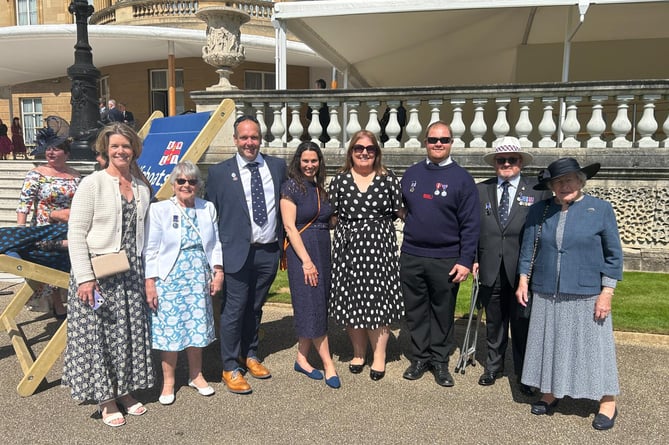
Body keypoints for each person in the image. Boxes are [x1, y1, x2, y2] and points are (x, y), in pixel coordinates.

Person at [516, 157, 623, 431]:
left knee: (593, 348)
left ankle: (607, 401)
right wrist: (523, 280)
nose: (564, 186)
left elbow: (614, 255)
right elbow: (529, 248)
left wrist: (607, 292)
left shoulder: (600, 209)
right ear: (551, 186)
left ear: (580, 181)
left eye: (569, 179)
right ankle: (551, 392)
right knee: (550, 343)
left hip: (586, 291)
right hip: (546, 288)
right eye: (558, 182)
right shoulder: (540, 210)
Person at [63, 123, 154, 428]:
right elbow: (75, 232)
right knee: (100, 336)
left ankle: (125, 391)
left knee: (127, 335)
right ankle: (106, 399)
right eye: (115, 146)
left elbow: (145, 235)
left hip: (130, 274)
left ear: (134, 149)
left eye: (125, 146)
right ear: (105, 149)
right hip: (98, 274)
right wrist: (85, 277)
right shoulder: (93, 184)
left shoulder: (142, 187)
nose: (120, 151)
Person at [205, 115, 287, 394]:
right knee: (234, 309)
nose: (249, 142)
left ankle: (249, 354)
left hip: (267, 252)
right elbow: (211, 219)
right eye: (244, 137)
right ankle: (230, 366)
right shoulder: (218, 173)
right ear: (235, 140)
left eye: (254, 137)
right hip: (235, 253)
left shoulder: (277, 167)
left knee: (255, 307)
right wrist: (214, 260)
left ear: (260, 139)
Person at [399, 121, 480, 387]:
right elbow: (403, 209)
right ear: (425, 142)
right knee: (416, 311)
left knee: (442, 312)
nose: (438, 144)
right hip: (412, 254)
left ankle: (440, 361)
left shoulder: (462, 179)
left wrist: (465, 260)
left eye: (444, 140)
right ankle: (420, 358)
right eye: (433, 139)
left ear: (451, 143)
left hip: (446, 258)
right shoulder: (411, 174)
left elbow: (471, 224)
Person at [472, 137, 551, 394]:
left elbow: (544, 231)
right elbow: (473, 229)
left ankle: (524, 374)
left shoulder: (538, 191)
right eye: (501, 160)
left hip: (522, 271)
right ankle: (493, 367)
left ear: (521, 163)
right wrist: (473, 258)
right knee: (494, 321)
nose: (506, 164)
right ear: (495, 163)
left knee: (521, 324)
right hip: (490, 265)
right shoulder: (481, 189)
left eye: (512, 159)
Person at [145, 161, 224, 405]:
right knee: (170, 329)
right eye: (181, 181)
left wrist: (218, 271)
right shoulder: (160, 210)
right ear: (173, 184)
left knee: (196, 326)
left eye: (191, 181)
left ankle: (196, 375)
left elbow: (215, 243)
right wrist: (150, 282)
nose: (186, 185)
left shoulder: (206, 207)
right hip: (169, 276)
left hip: (198, 275)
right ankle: (168, 381)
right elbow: (151, 249)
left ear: (198, 184)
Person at [328, 130, 403, 381]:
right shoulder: (339, 180)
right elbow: (333, 215)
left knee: (377, 301)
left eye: (370, 149)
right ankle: (358, 353)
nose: (364, 153)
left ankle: (379, 356)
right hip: (347, 248)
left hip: (378, 248)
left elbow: (399, 211)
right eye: (359, 148)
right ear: (351, 152)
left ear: (376, 152)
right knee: (352, 300)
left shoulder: (388, 178)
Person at [280, 141, 340, 389]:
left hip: (322, 250)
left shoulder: (320, 189)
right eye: (305, 160)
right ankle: (328, 364)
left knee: (314, 304)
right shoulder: (290, 187)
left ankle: (302, 359)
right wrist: (306, 261)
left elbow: (330, 221)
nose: (309, 165)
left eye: (314, 161)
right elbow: (289, 227)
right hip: (302, 253)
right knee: (312, 305)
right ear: (298, 161)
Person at [16, 127, 81, 318]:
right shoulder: (36, 174)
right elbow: (24, 203)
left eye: (56, 149)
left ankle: (69, 299)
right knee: (50, 264)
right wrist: (21, 230)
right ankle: (57, 304)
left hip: (69, 225)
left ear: (66, 153)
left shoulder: (75, 175)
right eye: (48, 149)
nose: (50, 152)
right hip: (45, 227)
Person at [305, 79, 330, 144]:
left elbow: (308, 116)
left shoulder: (315, 99)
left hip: (318, 127)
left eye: (316, 86)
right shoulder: (327, 98)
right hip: (326, 126)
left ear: (318, 86)